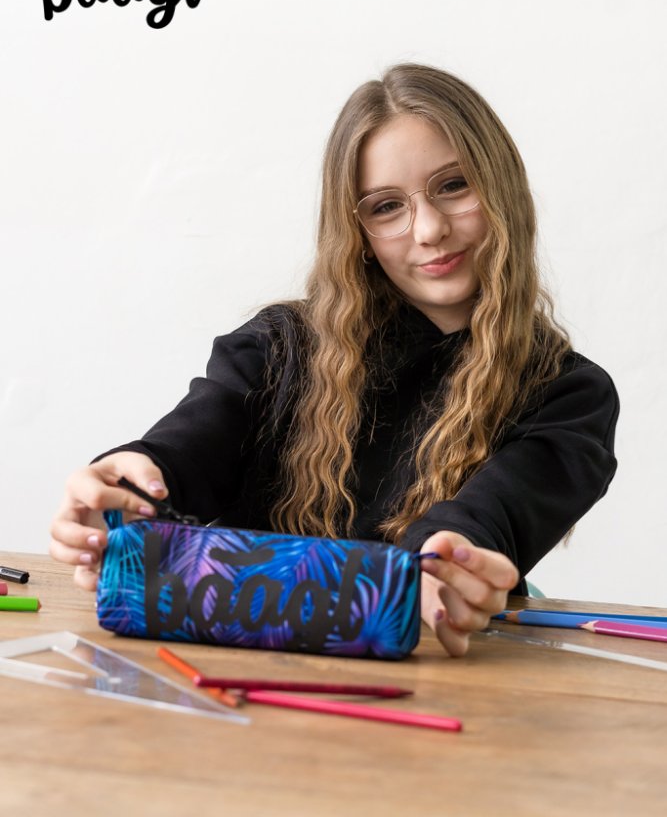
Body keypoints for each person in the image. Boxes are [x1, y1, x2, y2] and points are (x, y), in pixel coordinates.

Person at [49, 63, 619, 657]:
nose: (429, 229)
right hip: (240, 671)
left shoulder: (570, 396)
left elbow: (483, 519)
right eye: (385, 206)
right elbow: (186, 451)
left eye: (454, 185)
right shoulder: (276, 347)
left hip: (434, 676)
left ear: (503, 188)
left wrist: (447, 564)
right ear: (358, 232)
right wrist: (121, 487)